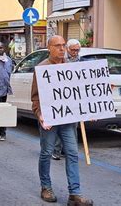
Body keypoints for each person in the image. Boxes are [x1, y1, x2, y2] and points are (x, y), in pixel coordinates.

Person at [31, 35, 93, 205]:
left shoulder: (70, 68)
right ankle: (46, 187)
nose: (61, 48)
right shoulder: (41, 69)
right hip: (49, 120)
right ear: (49, 48)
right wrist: (40, 114)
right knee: (46, 153)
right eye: (57, 45)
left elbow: (80, 93)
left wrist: (96, 96)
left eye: (63, 45)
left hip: (68, 120)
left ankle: (75, 193)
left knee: (72, 154)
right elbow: (35, 98)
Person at [52, 39, 81, 160]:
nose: (75, 52)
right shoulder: (61, 59)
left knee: (73, 125)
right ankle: (56, 150)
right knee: (60, 124)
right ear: (68, 49)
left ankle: (68, 150)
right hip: (61, 97)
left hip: (74, 98)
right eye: (73, 50)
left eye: (77, 50)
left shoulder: (81, 60)